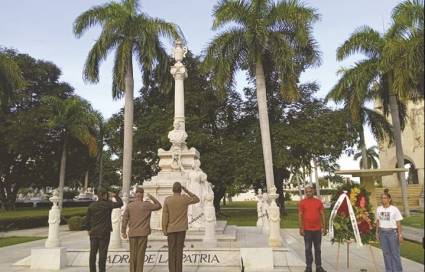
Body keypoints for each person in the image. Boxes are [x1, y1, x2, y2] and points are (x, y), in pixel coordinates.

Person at [121, 187, 162, 272]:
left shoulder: (130, 205)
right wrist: (152, 197)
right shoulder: (147, 205)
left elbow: (124, 219)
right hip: (143, 233)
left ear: (135, 195)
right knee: (140, 255)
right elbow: (159, 206)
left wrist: (123, 232)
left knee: (133, 254)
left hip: (132, 233)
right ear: (142, 195)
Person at [162, 182, 200, 272]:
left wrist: (164, 229)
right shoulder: (185, 199)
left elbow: (165, 216)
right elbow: (197, 199)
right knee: (179, 251)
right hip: (181, 229)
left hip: (171, 229)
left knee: (171, 251)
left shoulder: (167, 200)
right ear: (180, 190)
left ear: (172, 190)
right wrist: (186, 191)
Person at [83, 187, 123, 272]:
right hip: (104, 233)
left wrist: (88, 229)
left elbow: (87, 220)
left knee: (92, 254)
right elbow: (120, 203)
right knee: (102, 255)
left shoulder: (92, 205)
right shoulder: (108, 204)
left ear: (98, 195)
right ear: (105, 195)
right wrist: (115, 195)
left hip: (93, 233)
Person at [298, 185, 327, 272]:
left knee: (318, 249)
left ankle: (318, 267)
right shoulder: (302, 202)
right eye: (306, 192)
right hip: (307, 230)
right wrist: (301, 228)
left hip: (317, 230)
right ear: (305, 193)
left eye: (310, 191)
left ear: (313, 191)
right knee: (308, 249)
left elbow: (322, 214)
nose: (308, 193)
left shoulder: (318, 202)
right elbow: (300, 215)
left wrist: (324, 227)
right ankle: (308, 267)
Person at [375, 189, 404, 272]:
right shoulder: (378, 209)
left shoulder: (394, 209)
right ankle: (389, 270)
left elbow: (398, 223)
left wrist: (400, 235)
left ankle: (397, 270)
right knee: (386, 253)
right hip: (382, 233)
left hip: (392, 233)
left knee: (395, 254)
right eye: (382, 198)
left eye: (385, 198)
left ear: (389, 199)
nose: (383, 200)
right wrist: (377, 232)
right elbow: (378, 221)